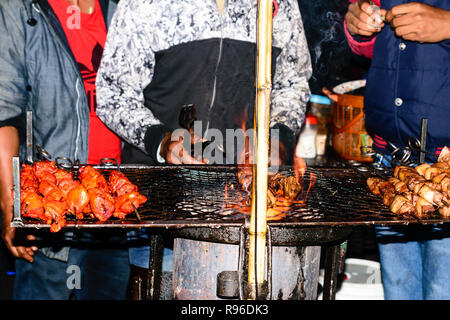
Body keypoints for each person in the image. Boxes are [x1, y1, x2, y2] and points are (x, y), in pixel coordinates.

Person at [96, 0, 312, 298]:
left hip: (247, 203)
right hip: (160, 199)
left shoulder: (279, 4)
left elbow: (293, 82)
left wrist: (278, 137)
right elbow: (114, 92)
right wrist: (161, 140)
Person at [0, 0, 130, 299]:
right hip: (50, 210)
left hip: (113, 212)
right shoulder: (22, 8)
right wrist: (13, 208)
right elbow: (5, 110)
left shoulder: (118, 8)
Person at [345, 0, 450, 299]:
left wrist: (447, 23)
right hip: (391, 157)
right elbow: (369, 48)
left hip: (446, 162)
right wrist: (359, 26)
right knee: (398, 286)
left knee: (443, 288)